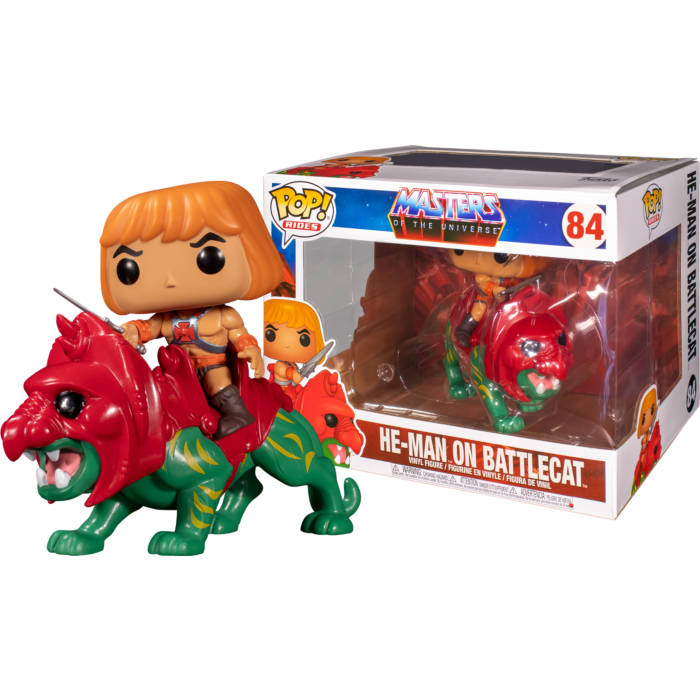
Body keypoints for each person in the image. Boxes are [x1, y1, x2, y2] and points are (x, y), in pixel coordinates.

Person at [99, 180, 283, 440]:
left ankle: (237, 413)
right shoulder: (166, 318)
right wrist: (131, 330)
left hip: (212, 364)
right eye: (130, 268)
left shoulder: (223, 316)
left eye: (209, 257)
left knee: (217, 384)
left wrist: (251, 349)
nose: (169, 280)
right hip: (176, 372)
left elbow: (240, 335)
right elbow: (147, 328)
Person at [263, 298, 327, 392]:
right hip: (279, 391)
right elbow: (281, 370)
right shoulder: (279, 364)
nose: (287, 345)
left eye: (304, 339)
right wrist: (293, 374)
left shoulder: (292, 364)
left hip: (291, 390)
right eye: (270, 334)